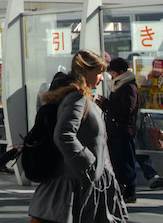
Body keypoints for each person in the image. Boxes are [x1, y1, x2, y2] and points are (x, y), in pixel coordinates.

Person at [28, 49, 127, 223]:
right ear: (84, 71)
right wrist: (87, 162)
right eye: (99, 73)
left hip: (87, 182)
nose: (102, 78)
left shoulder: (82, 99)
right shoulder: (77, 99)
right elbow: (64, 134)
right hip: (78, 183)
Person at [99, 57, 139, 203]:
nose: (112, 76)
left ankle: (130, 191)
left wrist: (107, 105)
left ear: (121, 72)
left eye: (113, 72)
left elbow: (126, 109)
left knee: (126, 161)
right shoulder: (118, 85)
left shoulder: (128, 87)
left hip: (124, 130)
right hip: (116, 130)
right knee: (118, 160)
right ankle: (122, 188)